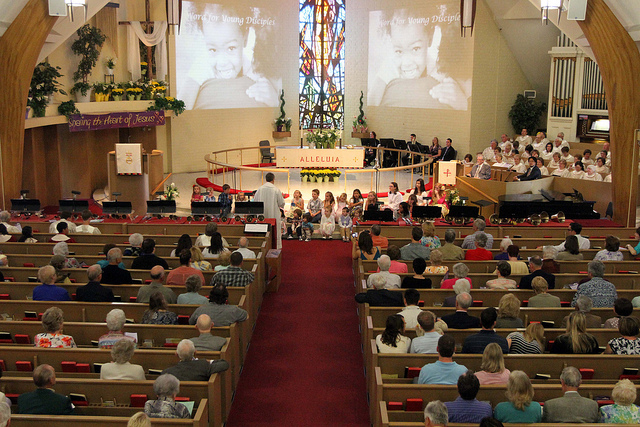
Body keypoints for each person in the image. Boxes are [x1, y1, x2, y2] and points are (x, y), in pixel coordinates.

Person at [162, 339, 229, 381]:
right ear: (195, 353)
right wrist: (209, 361)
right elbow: (224, 364)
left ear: (176, 354)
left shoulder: (167, 373)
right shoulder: (203, 366)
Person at [252, 172, 285, 248]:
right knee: (274, 231)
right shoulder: (276, 190)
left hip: (262, 215)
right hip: (273, 214)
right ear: (273, 179)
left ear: (266, 179)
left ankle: (263, 247)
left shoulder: (260, 189)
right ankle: (275, 247)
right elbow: (281, 203)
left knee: (263, 230)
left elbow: (255, 201)